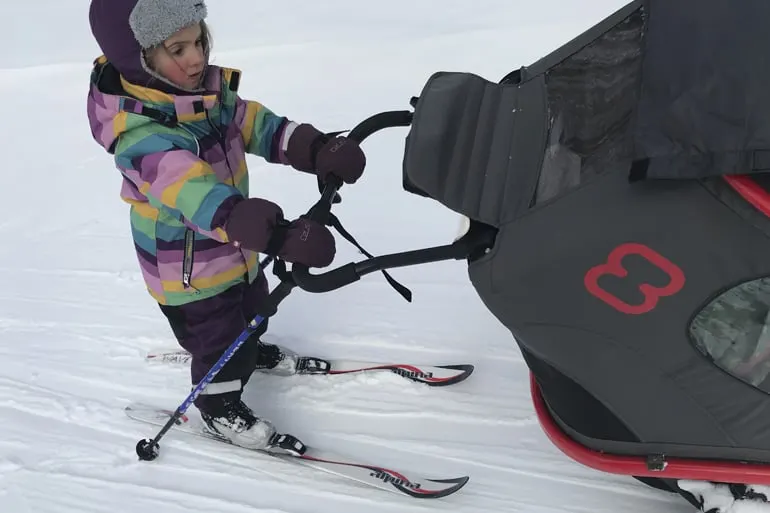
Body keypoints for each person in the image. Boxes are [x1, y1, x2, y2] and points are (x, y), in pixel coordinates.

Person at [86, 0, 366, 450]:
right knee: (218, 340)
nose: (196, 58)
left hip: (234, 247)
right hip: (190, 273)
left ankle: (249, 349)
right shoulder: (141, 136)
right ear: (139, 60)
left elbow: (255, 124)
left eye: (198, 41)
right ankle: (220, 408)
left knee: (255, 305)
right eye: (178, 49)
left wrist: (313, 148)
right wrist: (273, 232)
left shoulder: (203, 97)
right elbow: (194, 193)